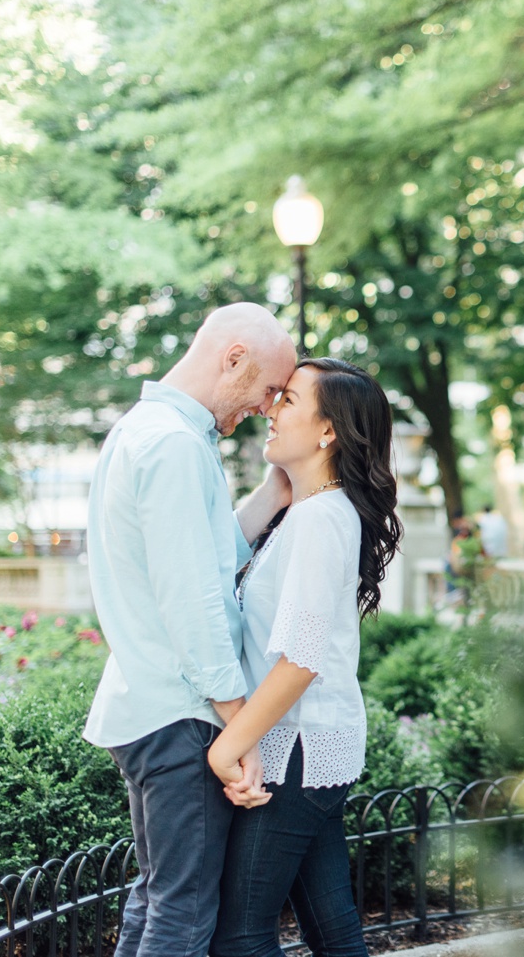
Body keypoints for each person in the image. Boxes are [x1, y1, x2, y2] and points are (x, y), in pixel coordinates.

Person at [82, 302, 299, 957]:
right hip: (181, 714)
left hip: (147, 704)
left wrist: (274, 493)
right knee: (183, 914)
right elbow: (194, 601)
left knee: (158, 898)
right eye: (266, 390)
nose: (267, 409)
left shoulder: (147, 431)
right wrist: (240, 726)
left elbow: (200, 555)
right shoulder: (174, 444)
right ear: (232, 357)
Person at [206, 357, 404, 957]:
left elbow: (301, 659)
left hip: (297, 749)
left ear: (328, 432)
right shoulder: (312, 511)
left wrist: (227, 745)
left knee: (239, 937)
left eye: (288, 400)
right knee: (331, 926)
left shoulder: (321, 518)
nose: (270, 409)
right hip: (306, 746)